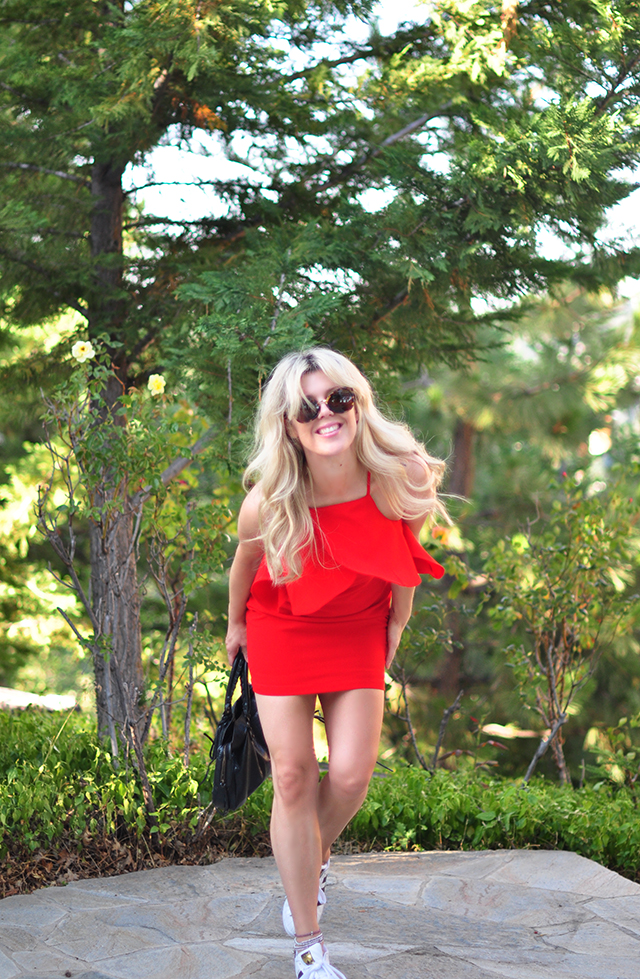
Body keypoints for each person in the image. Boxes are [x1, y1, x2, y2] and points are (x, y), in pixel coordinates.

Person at [225, 348, 447, 979]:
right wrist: (236, 623)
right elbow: (244, 565)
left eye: (338, 399)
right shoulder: (271, 497)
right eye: (307, 406)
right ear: (289, 424)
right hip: (282, 627)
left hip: (356, 629)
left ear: (358, 403)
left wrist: (396, 626)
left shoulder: (399, 477)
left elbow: (403, 551)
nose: (326, 414)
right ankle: (309, 947)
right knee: (293, 778)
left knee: (349, 778)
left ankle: (309, 861)